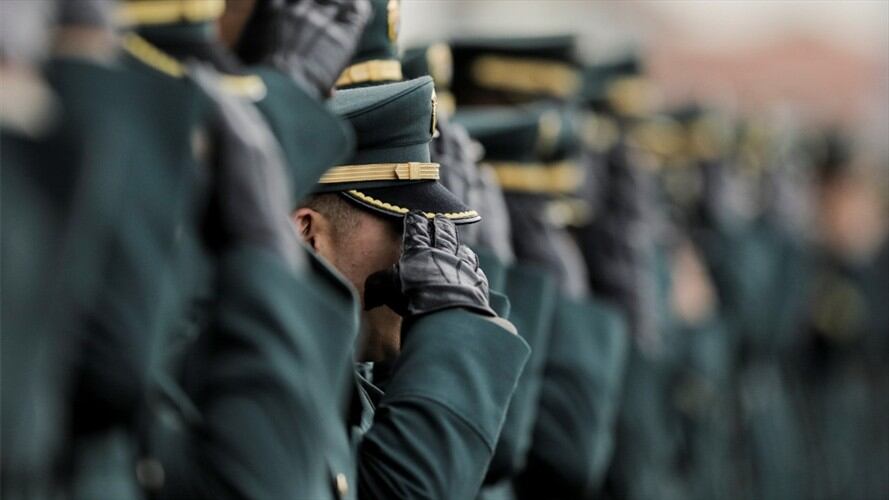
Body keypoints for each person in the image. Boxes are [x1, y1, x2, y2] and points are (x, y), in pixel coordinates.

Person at [294, 76, 531, 499]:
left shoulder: (341, 384)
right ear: (308, 234)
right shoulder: (269, 388)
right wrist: (455, 335)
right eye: (409, 232)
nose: (429, 262)